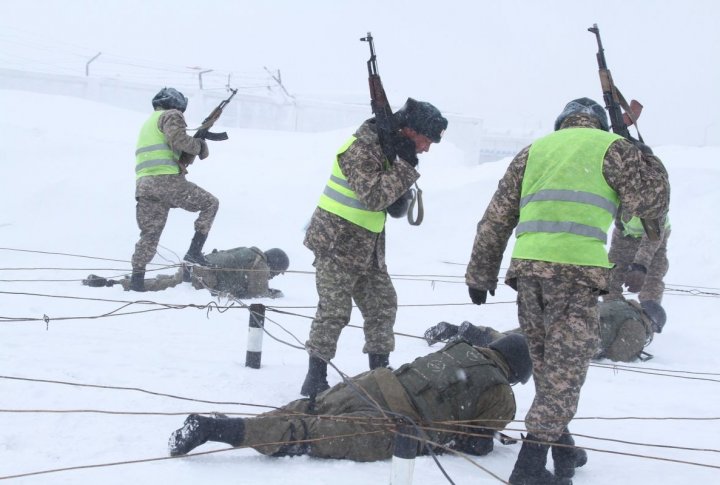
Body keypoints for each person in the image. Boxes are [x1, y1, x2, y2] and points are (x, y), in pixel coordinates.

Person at [464, 98, 670, 484]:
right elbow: (653, 204)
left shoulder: (534, 151)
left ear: (563, 123)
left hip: (528, 272)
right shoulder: (613, 148)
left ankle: (563, 450)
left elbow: (495, 218)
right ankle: (528, 469)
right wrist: (647, 157)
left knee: (546, 366)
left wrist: (480, 272)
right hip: (575, 276)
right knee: (565, 375)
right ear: (600, 123)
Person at [168, 334, 548, 463]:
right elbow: (475, 444)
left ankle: (229, 421)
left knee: (307, 408)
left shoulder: (461, 347)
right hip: (391, 422)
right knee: (304, 434)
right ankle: (217, 428)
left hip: (371, 382)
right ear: (519, 372)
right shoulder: (501, 394)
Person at [300, 98, 448, 398]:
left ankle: (380, 376)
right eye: (426, 140)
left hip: (367, 248)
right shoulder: (362, 147)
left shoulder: (389, 150)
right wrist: (404, 168)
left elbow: (390, 206)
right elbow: (374, 197)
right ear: (410, 130)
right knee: (334, 312)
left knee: (382, 306)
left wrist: (401, 166)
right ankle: (315, 378)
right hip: (336, 243)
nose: (427, 148)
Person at [130, 87, 219, 292]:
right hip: (166, 182)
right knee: (210, 204)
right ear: (177, 104)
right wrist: (199, 146)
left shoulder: (149, 123)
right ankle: (194, 252)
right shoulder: (171, 114)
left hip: (144, 186)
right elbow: (178, 139)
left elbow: (170, 146)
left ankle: (137, 280)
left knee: (150, 234)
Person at [424, 298, 667, 363]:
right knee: (521, 347)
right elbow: (618, 353)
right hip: (576, 336)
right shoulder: (636, 325)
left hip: (563, 316)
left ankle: (464, 331)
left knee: (517, 337)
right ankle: (479, 338)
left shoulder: (621, 305)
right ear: (652, 322)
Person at [84, 247, 289, 299]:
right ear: (275, 265)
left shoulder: (250, 253)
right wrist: (273, 293)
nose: (274, 276)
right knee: (162, 286)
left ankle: (123, 282)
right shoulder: (260, 264)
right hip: (204, 277)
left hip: (198, 267)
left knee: (165, 282)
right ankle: (115, 284)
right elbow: (258, 294)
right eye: (277, 273)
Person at [605, 208, 671, 311]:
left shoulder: (652, 200)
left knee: (653, 278)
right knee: (609, 278)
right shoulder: (620, 200)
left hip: (656, 235)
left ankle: (649, 317)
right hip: (626, 235)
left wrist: (640, 267)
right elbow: (617, 252)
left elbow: (652, 237)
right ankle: (615, 311)